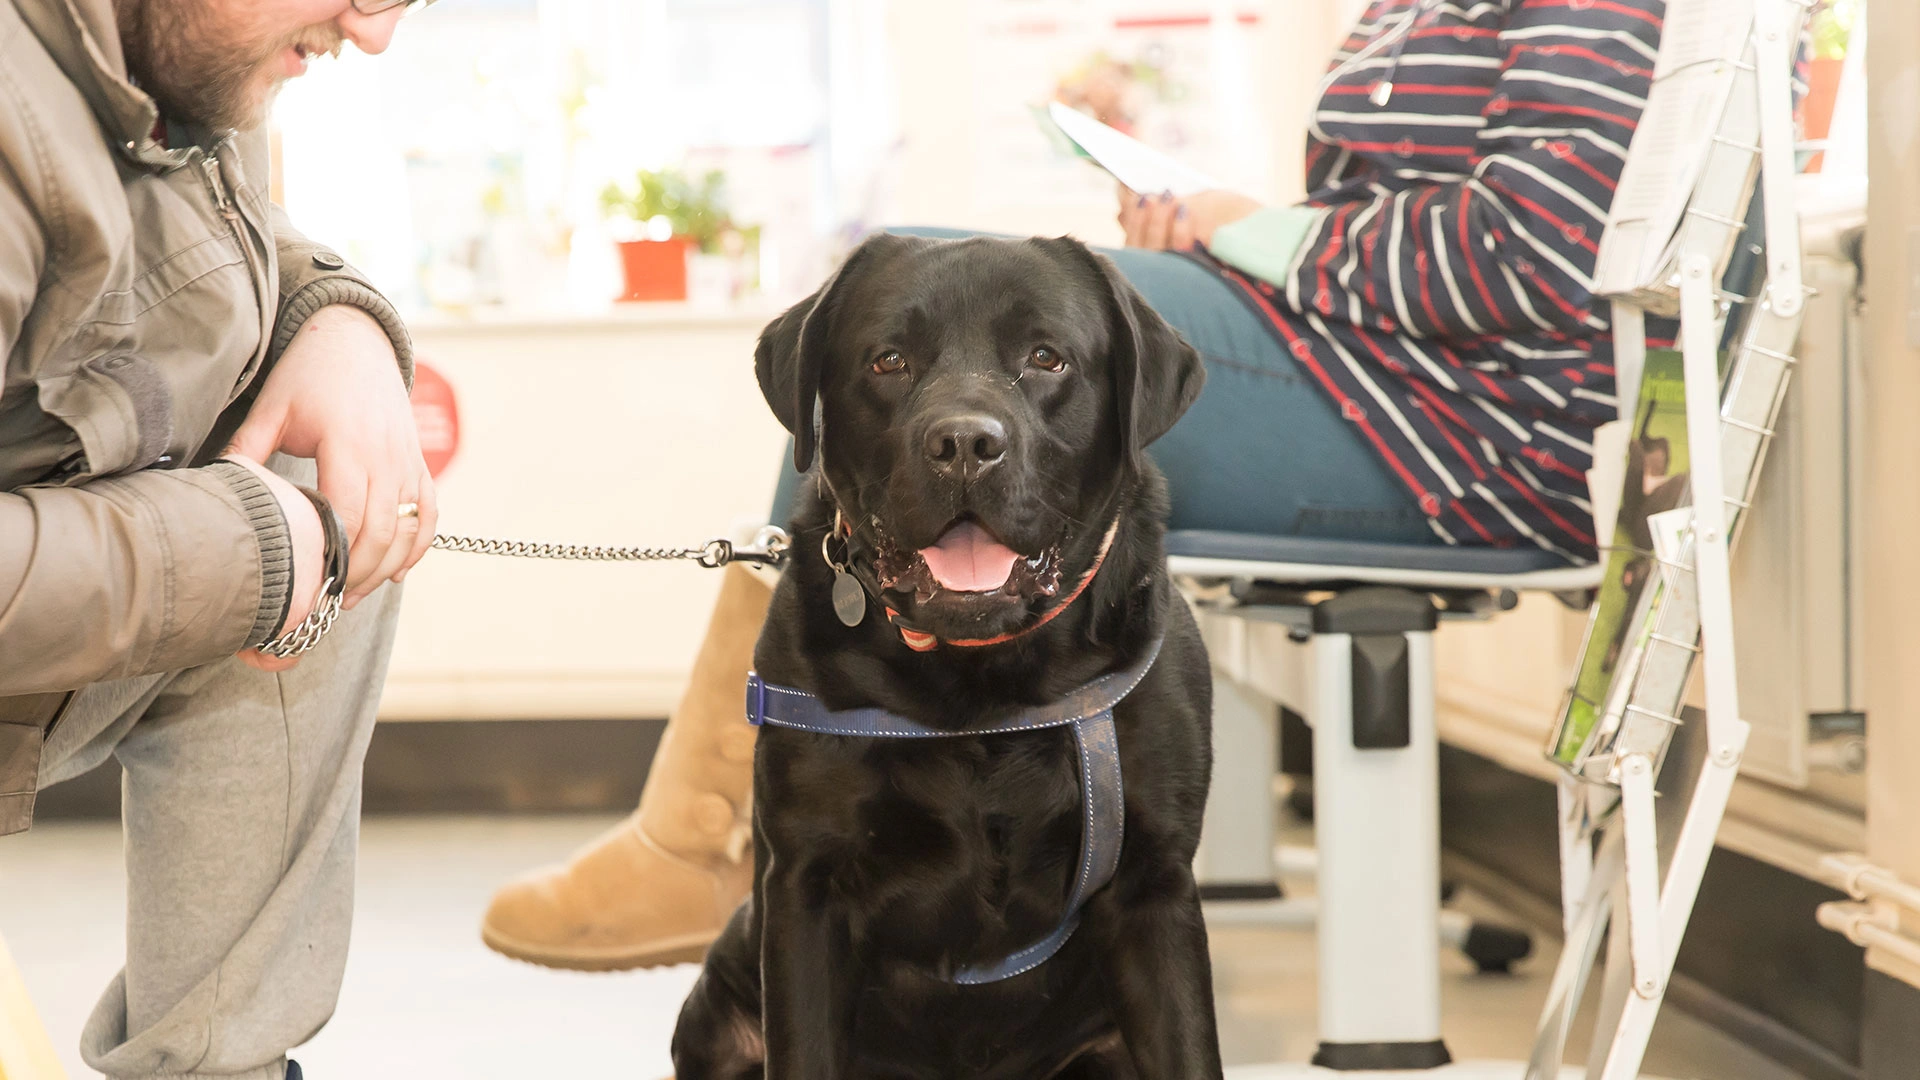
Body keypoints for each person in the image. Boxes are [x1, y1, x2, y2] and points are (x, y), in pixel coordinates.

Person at [481, 0, 1663, 971]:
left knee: (943, 281)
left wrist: (1245, 230)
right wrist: (1233, 231)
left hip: (1462, 432)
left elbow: (1537, 248)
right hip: (1373, 370)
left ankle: (712, 838)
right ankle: (778, 835)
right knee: (907, 326)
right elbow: (1395, 221)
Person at [0, 0, 437, 1076]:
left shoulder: (173, 59)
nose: (376, 34)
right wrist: (237, 552)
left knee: (332, 508)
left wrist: (330, 315)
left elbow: (212, 230)